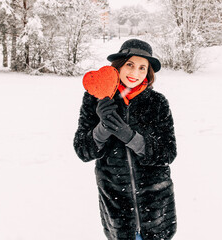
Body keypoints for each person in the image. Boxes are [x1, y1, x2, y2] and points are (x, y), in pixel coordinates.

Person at [74, 39, 177, 240]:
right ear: (119, 66)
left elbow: (168, 152)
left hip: (156, 208)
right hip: (117, 207)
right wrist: (102, 129)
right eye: (130, 64)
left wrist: (131, 137)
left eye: (142, 68)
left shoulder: (157, 103)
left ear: (148, 72)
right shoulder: (95, 99)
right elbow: (82, 150)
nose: (135, 73)